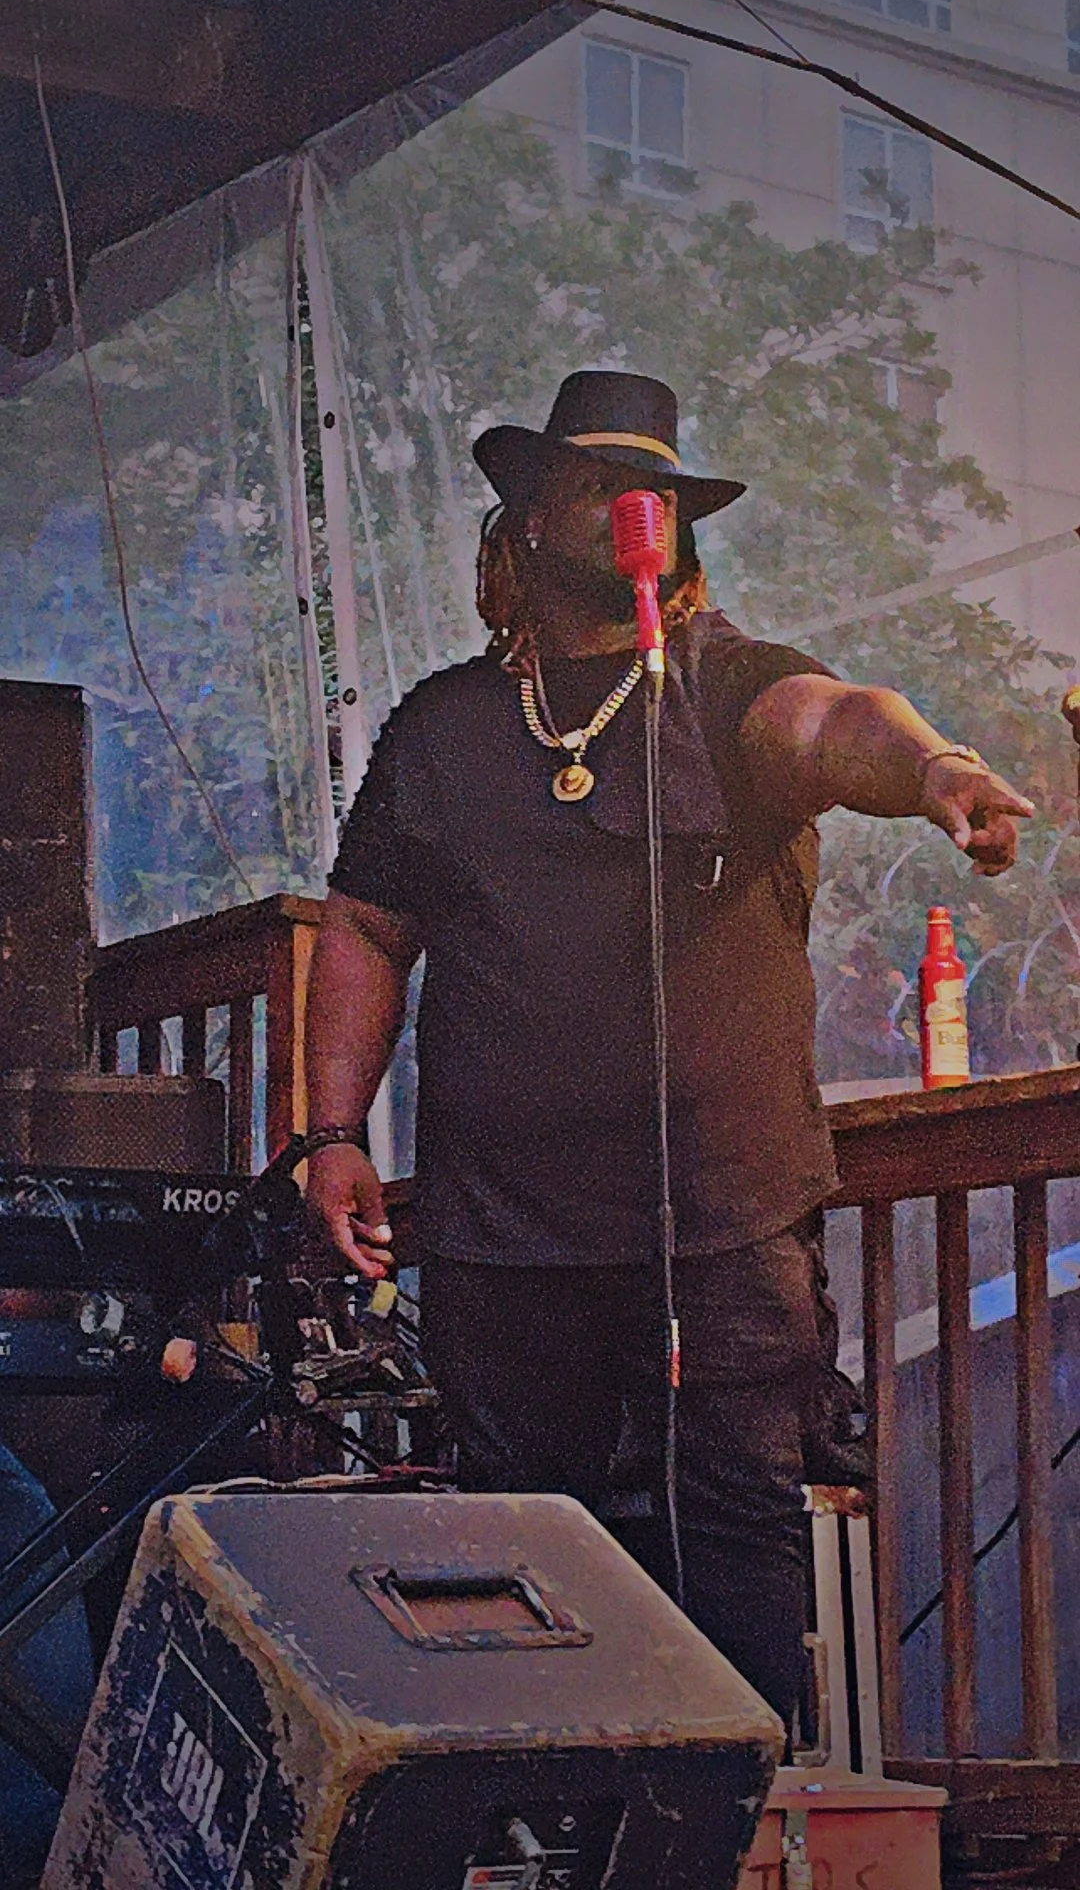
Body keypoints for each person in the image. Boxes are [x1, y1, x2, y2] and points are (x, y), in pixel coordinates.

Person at [303, 370, 1031, 1730]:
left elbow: (834, 724)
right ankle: (557, 1824)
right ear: (526, 520)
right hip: (503, 1227)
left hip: (718, 1214)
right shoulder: (447, 727)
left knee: (739, 1525)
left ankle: (737, 1828)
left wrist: (935, 768)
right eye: (594, 482)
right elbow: (362, 927)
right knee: (525, 1540)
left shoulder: (727, 685)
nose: (634, 508)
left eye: (657, 493)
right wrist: (337, 1132)